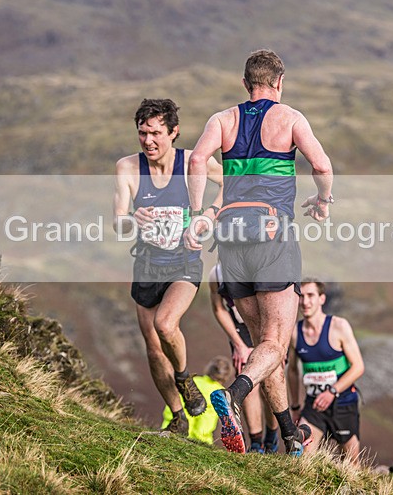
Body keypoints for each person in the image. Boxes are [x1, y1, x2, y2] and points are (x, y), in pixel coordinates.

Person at [185, 49, 334, 455]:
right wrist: (323, 200)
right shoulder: (289, 118)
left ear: (245, 83)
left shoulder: (223, 119)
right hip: (273, 236)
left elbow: (198, 158)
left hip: (230, 240)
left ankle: (288, 435)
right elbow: (321, 166)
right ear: (279, 82)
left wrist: (198, 213)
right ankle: (233, 395)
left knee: (263, 348)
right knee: (274, 344)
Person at [113, 98, 223, 435]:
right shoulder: (128, 168)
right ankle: (177, 417)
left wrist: (208, 215)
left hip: (184, 262)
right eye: (142, 133)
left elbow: (231, 185)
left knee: (165, 324)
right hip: (147, 265)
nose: (148, 141)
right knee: (153, 346)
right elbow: (118, 223)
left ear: (174, 132)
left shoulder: (193, 162)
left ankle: (184, 377)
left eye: (156, 133)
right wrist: (133, 219)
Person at [288, 279, 365, 463]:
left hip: (343, 403)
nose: (305, 302)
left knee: (351, 466)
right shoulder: (294, 333)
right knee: (302, 459)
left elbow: (358, 367)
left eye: (310, 296)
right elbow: (292, 371)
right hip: (313, 406)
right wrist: (296, 407)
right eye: (301, 296)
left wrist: (332, 391)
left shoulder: (339, 326)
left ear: (322, 299)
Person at [209, 263, 280, 453]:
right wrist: (238, 344)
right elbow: (219, 309)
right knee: (245, 375)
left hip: (267, 324)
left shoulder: (256, 264)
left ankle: (272, 435)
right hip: (241, 330)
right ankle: (256, 442)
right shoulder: (216, 274)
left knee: (269, 381)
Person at [161, 356, 231, 444]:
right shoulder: (221, 394)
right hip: (200, 441)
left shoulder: (191, 382)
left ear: (209, 369)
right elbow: (206, 422)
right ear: (226, 375)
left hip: (172, 431)